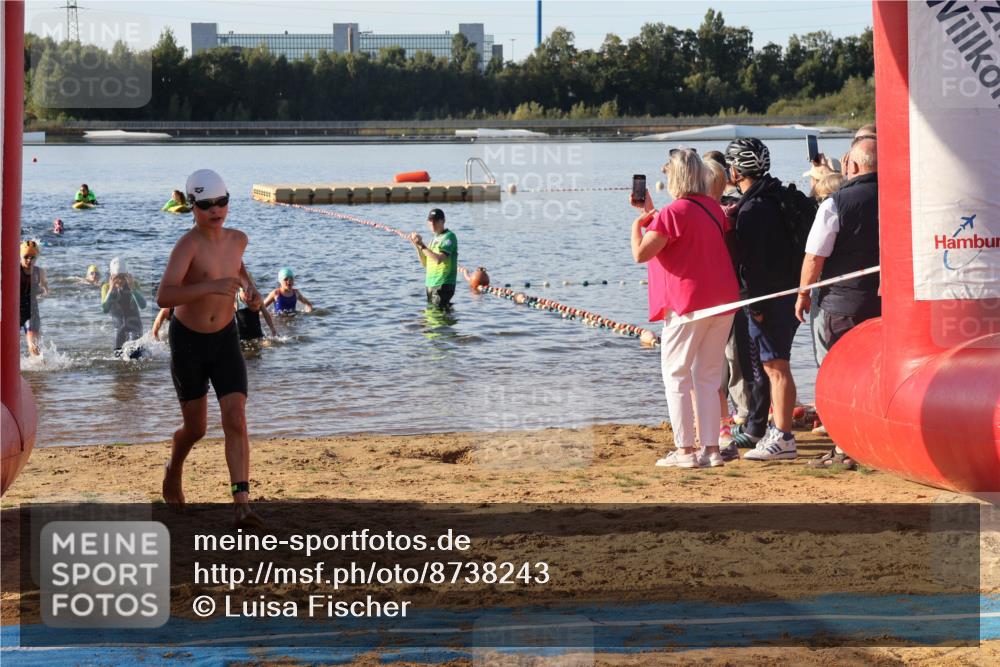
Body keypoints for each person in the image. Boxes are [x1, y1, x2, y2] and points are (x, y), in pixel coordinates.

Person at [156, 168, 263, 528]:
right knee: (196, 428)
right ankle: (174, 466)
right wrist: (210, 287)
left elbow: (239, 269)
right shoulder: (187, 245)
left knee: (235, 418)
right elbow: (164, 296)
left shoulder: (238, 239)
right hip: (188, 341)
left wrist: (251, 291)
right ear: (192, 207)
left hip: (225, 339)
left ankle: (241, 502)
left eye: (222, 202)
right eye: (206, 205)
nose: (216, 210)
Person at [631, 148, 740, 469]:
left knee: (677, 375)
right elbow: (680, 228)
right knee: (707, 377)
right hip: (723, 300)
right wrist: (652, 214)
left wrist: (637, 225)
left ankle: (685, 450)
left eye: (666, 174)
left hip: (688, 305)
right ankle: (711, 450)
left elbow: (642, 253)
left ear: (674, 177)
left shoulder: (672, 214)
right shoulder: (712, 208)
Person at [796, 137, 880, 469]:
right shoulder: (901, 196)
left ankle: (844, 448)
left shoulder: (836, 203)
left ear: (854, 166)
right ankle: (870, 444)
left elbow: (814, 257)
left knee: (835, 378)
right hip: (883, 304)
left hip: (839, 306)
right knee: (873, 376)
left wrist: (803, 294)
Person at [724, 138, 803, 461]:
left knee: (775, 366)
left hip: (769, 298)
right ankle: (777, 428)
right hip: (788, 291)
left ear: (737, 169)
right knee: (775, 365)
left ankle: (783, 436)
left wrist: (755, 307)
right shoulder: (775, 196)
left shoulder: (754, 209)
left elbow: (755, 264)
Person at [409, 208, 458, 310]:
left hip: (443, 284)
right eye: (430, 221)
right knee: (431, 317)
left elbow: (438, 259)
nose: (432, 223)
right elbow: (425, 263)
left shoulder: (449, 237)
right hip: (430, 284)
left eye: (436, 221)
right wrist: (417, 245)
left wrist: (421, 245)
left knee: (437, 318)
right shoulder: (434, 239)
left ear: (443, 221)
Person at [101, 257, 147, 357]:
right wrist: (111, 291)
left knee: (135, 356)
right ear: (111, 276)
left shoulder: (134, 284)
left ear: (127, 275)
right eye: (117, 277)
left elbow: (143, 305)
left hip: (135, 328)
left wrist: (133, 289)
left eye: (123, 277)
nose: (120, 280)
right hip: (118, 330)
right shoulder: (106, 288)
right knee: (117, 358)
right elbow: (104, 309)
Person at [19, 240, 49, 356]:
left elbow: (45, 288)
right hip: (13, 310)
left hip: (31, 310)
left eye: (33, 257)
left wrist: (43, 291)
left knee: (33, 347)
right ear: (20, 256)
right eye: (26, 257)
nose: (29, 260)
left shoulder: (39, 272)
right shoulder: (13, 270)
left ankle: (38, 371)